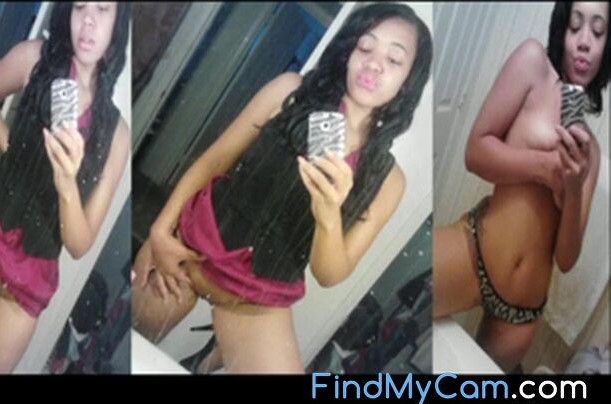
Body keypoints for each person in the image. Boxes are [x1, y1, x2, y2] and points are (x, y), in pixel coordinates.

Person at [133, 3, 432, 373]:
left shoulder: (388, 181)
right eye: (365, 47)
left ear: (409, 80)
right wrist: (160, 231)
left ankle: (209, 358)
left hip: (255, 299)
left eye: (394, 60)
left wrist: (327, 216)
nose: (373, 64)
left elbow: (329, 274)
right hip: (188, 248)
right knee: (125, 348)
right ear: (349, 51)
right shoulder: (288, 91)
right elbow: (215, 159)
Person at [0, 2, 130, 373]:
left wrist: (66, 184)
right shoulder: (33, 59)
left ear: (118, 24)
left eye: (102, 9)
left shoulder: (116, 136)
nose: (88, 20)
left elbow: (79, 244)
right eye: (79, 7)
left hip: (29, 279)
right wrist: (13, 146)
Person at [433, 2, 607, 372]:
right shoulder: (533, 63)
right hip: (475, 254)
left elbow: (566, 259)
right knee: (392, 315)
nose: (584, 41)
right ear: (561, 29)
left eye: (598, 31)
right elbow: (475, 152)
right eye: (575, 26)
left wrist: (574, 187)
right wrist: (545, 169)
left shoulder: (590, 151)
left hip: (521, 312)